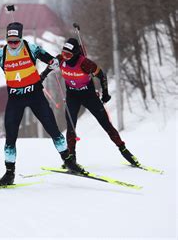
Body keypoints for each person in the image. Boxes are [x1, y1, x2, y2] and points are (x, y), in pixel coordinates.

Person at [0, 22, 85, 186]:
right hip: (15, 100)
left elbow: (50, 59)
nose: (12, 44)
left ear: (20, 39)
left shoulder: (31, 48)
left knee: (53, 130)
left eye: (15, 41)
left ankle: (69, 162)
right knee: (10, 138)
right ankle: (9, 173)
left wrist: (54, 63)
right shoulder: (1, 54)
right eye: (9, 41)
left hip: (36, 96)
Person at [41, 38, 140, 166]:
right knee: (71, 127)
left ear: (75, 53)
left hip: (89, 95)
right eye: (63, 53)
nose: (65, 57)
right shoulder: (60, 59)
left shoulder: (85, 63)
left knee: (106, 124)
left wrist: (105, 93)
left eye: (68, 54)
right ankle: (71, 158)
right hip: (72, 96)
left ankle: (124, 150)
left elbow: (102, 76)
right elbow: (50, 66)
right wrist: (42, 77)